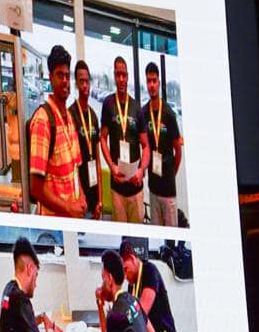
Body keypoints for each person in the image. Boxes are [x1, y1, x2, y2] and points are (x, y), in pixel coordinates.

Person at [27, 45, 86, 218]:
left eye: (67, 76)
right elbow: (36, 188)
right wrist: (68, 208)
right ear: (51, 78)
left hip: (73, 216)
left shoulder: (69, 117)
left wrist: (81, 196)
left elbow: (75, 168)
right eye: (60, 75)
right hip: (55, 221)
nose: (65, 81)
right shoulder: (43, 121)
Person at [137, 62, 183, 227]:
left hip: (168, 190)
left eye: (154, 81)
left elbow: (178, 151)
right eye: (148, 81)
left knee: (171, 236)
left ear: (159, 83)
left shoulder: (169, 114)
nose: (151, 85)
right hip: (153, 189)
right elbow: (144, 146)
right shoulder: (143, 113)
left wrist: (170, 174)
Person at [99, 56, 144, 223]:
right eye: (118, 75)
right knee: (121, 235)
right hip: (117, 187)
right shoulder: (108, 103)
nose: (121, 79)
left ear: (128, 76)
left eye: (124, 75)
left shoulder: (136, 107)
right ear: (114, 76)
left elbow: (146, 146)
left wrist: (141, 170)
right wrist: (111, 166)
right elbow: (103, 138)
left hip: (136, 188)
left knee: (138, 235)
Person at [70, 59, 101, 221]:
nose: (85, 86)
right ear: (76, 83)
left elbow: (97, 158)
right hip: (78, 195)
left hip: (94, 193)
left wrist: (100, 199)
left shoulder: (93, 116)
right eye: (81, 81)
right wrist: (79, 197)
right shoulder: (71, 114)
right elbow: (71, 164)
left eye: (87, 81)